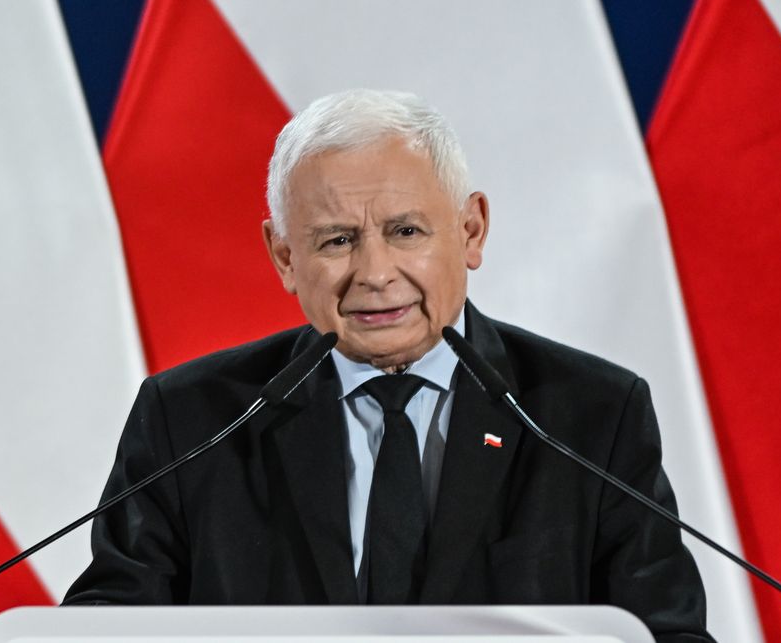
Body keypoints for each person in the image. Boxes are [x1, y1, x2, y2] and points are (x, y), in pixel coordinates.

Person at [64, 89, 714, 642]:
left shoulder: (589, 417)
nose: (375, 274)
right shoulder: (192, 421)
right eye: (337, 240)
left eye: (406, 231)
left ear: (471, 231)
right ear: (285, 256)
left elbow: (666, 631)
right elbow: (106, 625)